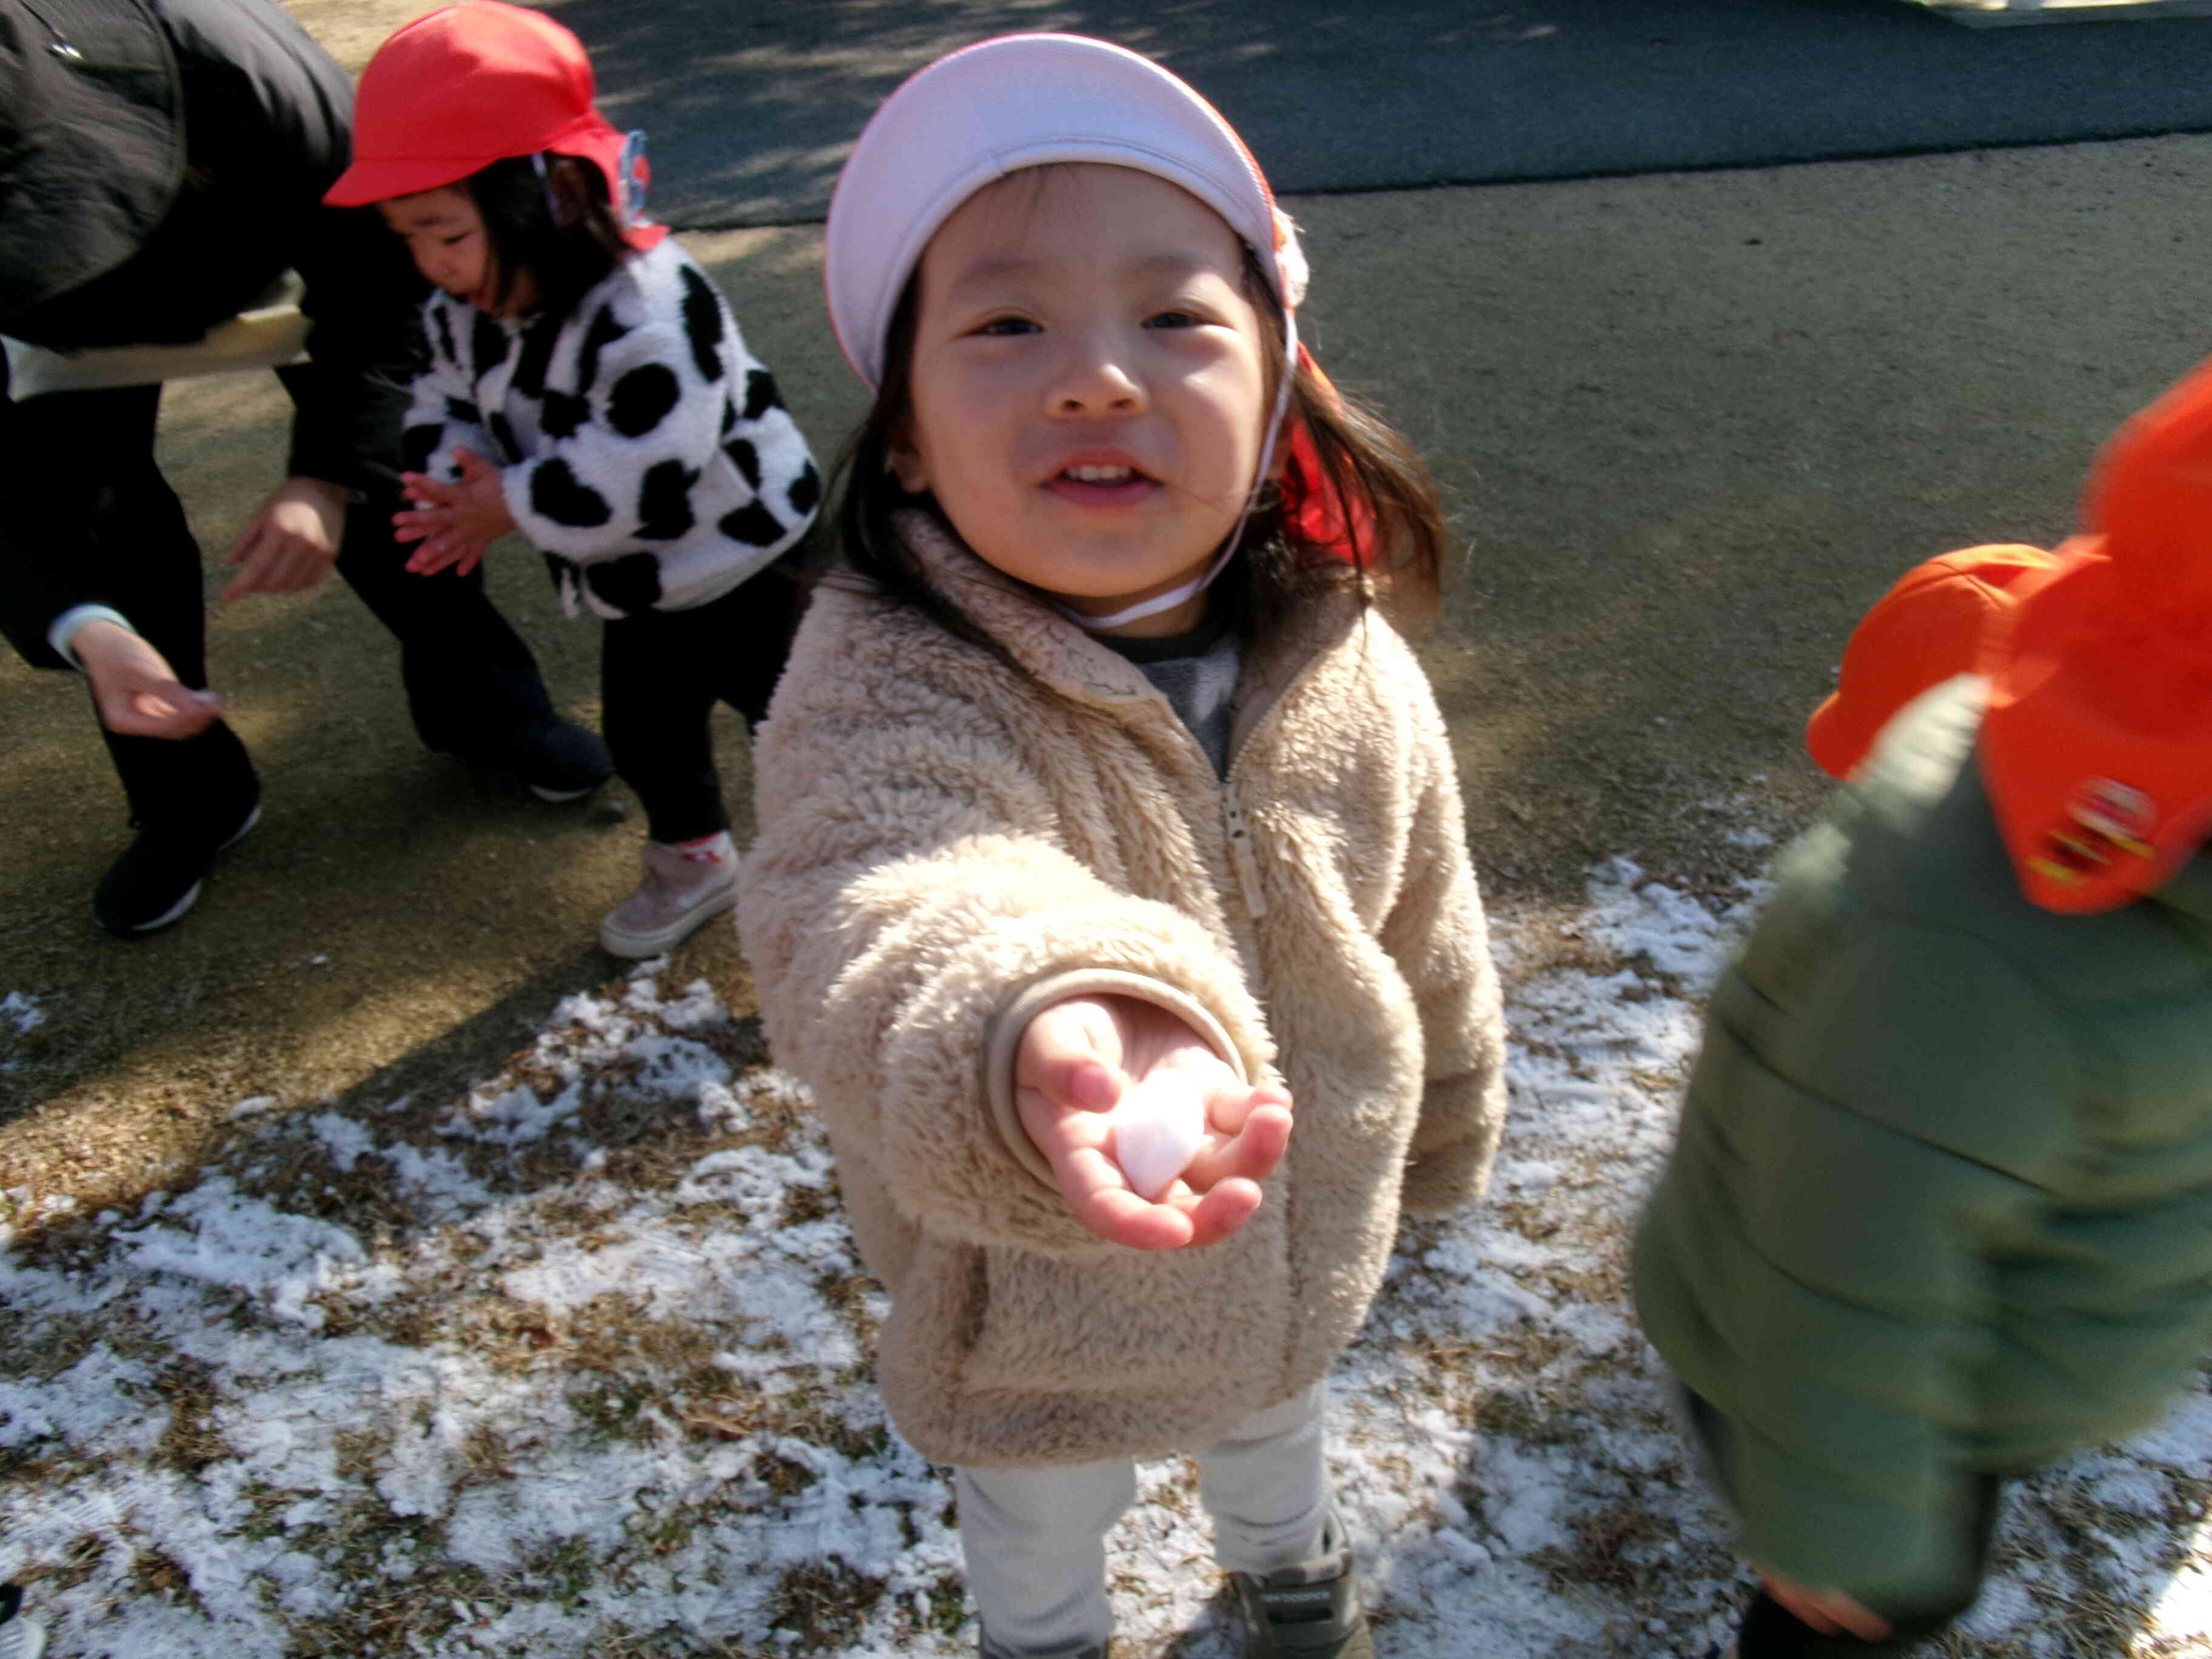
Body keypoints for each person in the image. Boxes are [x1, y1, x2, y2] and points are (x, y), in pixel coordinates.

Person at [734, 35, 1507, 1659]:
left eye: (1176, 318)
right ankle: (1048, 1639)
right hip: (1040, 1307)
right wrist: (1037, 1006)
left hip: (1300, 1238)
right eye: (1006, 325)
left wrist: (1446, 1119)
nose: (1098, 376)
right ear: (906, 436)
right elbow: (880, 889)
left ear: (1278, 390)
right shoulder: (888, 677)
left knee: (1278, 1434)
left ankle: (1287, 1571)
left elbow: (1426, 919)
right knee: (1040, 1519)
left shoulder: (1347, 658)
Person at [1632, 357, 2212, 1658]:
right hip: (1857, 1401)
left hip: (2015, 1327)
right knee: (1882, 1607)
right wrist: (1838, 1528)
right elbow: (1845, 1266)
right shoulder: (1986, 956)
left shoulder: (2150, 887)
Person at [0, 0, 609, 939]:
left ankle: (485, 710)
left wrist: (324, 476)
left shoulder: (247, 72)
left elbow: (384, 304)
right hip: (50, 328)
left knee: (400, 479)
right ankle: (188, 795)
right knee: (102, 528)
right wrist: (88, 630)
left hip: (278, 256)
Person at [326, 2, 821, 958]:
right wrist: (451, 477)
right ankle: (696, 859)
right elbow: (444, 398)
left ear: (549, 198)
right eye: (407, 238)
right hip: (639, 583)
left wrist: (507, 503)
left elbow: (652, 462)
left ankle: (862, 851)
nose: (430, 263)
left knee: (804, 719)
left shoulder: (649, 304)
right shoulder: (465, 308)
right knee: (645, 734)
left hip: (755, 557)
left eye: (446, 233)